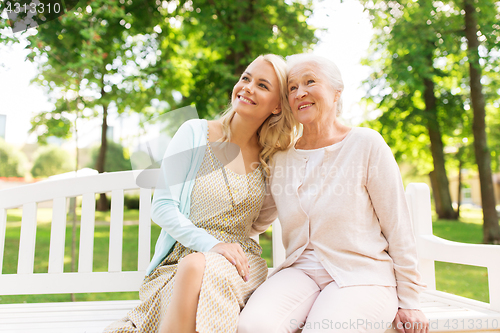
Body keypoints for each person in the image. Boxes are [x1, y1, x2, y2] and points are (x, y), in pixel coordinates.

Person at [103, 54, 298, 333]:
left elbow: (260, 221)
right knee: (195, 267)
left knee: (201, 270)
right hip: (178, 263)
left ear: (278, 106)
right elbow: (162, 206)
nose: (247, 87)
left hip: (240, 262)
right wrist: (211, 245)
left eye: (262, 85)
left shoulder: (271, 158)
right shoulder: (196, 133)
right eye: (245, 78)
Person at [238, 53, 429, 333]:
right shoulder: (282, 157)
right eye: (292, 88)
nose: (300, 92)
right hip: (299, 271)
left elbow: (398, 226)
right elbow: (257, 219)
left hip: (362, 275)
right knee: (252, 327)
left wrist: (410, 300)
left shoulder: (366, 144)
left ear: (337, 92)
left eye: (310, 81)